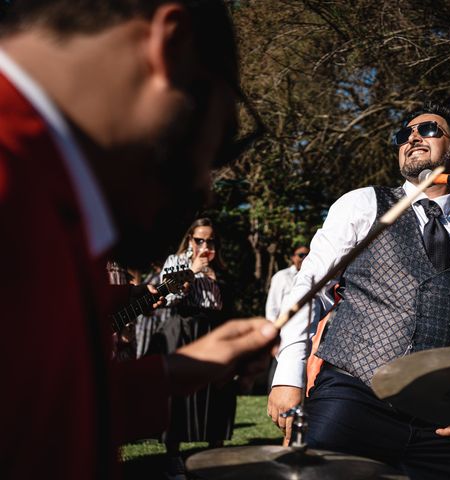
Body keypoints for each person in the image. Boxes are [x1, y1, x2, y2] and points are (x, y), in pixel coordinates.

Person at [0, 2, 277, 480]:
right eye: (223, 140)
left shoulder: (52, 196)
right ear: (169, 46)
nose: (206, 186)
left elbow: (31, 406)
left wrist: (172, 373)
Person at [268, 102, 450, 479]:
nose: (412, 137)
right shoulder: (363, 203)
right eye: (404, 135)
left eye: (428, 129)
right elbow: (309, 288)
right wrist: (288, 374)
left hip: (442, 419)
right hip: (353, 397)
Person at [154, 218, 237, 473]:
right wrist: (191, 269)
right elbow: (167, 297)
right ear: (190, 238)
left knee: (218, 391)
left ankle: (215, 453)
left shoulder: (219, 267)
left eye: (210, 240)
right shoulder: (176, 260)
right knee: (180, 392)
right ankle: (173, 456)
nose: (205, 244)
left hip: (213, 328)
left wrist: (216, 279)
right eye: (199, 239)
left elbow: (227, 304)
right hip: (184, 327)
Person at [264, 244, 310, 387]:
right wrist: (273, 332)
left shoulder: (311, 277)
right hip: (283, 332)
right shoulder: (282, 276)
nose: (304, 258)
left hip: (307, 332)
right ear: (292, 257)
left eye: (307, 255)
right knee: (279, 369)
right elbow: (272, 307)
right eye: (300, 255)